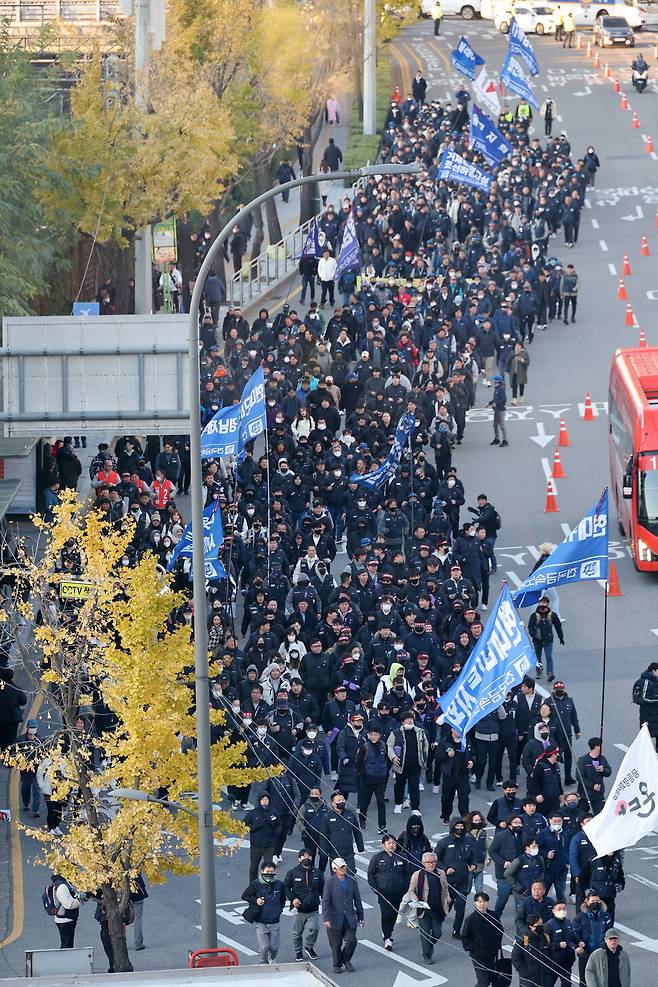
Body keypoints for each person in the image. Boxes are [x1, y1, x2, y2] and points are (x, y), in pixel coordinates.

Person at [399, 850, 451, 965]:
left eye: (433, 862)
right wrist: (414, 898)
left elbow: (446, 888)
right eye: (428, 862)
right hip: (423, 909)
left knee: (437, 933)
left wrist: (447, 897)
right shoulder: (417, 875)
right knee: (425, 933)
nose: (430, 864)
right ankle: (427, 955)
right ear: (423, 863)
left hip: (438, 908)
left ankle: (429, 944)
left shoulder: (441, 873)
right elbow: (411, 891)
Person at [435, 817, 476, 939]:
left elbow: (471, 857)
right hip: (448, 883)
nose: (459, 828)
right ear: (452, 827)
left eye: (461, 826)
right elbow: (436, 859)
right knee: (445, 907)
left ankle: (456, 930)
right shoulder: (444, 842)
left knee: (461, 908)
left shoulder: (468, 841)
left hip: (463, 881)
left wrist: (473, 864)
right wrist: (446, 868)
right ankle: (436, 926)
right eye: (457, 826)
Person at [322, 857, 364, 974]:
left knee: (352, 941)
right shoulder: (329, 882)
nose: (343, 869)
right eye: (340, 867)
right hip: (334, 918)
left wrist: (361, 917)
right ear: (334, 869)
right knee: (336, 945)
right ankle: (337, 964)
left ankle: (346, 959)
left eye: (344, 866)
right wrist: (326, 918)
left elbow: (357, 900)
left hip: (350, 918)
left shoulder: (352, 880)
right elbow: (325, 901)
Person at [368, 834, 408, 950]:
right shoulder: (377, 858)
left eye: (393, 843)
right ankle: (387, 938)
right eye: (389, 843)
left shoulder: (402, 857)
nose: (392, 845)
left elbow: (407, 874)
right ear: (383, 845)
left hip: (398, 892)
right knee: (386, 914)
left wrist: (404, 889)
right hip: (383, 893)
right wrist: (376, 889)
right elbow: (371, 874)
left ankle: (388, 931)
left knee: (394, 914)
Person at [242, 861, 286, 964]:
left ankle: (272, 958)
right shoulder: (256, 884)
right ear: (262, 871)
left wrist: (279, 910)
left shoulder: (279, 884)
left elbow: (283, 899)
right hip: (261, 922)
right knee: (264, 946)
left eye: (272, 871)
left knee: (274, 948)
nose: (269, 873)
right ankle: (263, 964)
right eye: (267, 871)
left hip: (275, 921)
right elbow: (245, 896)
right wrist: (256, 900)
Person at [284, 847, 324, 961]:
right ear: (299, 858)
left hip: (313, 908)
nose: (307, 858)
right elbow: (286, 887)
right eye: (304, 856)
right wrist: (292, 899)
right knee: (297, 933)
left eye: (309, 856)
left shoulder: (317, 872)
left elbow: (323, 888)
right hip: (299, 909)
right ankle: (298, 952)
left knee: (315, 929)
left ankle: (309, 946)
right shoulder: (292, 872)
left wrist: (325, 900)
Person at [387, 708, 429, 814]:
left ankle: (415, 808)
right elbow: (389, 746)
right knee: (399, 785)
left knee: (414, 787)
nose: (410, 721)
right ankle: (398, 804)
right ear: (402, 721)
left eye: (411, 719)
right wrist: (393, 758)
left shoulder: (419, 732)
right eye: (407, 719)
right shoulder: (396, 733)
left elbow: (425, 745)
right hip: (401, 765)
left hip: (415, 765)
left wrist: (423, 758)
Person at [461, 891, 504, 987]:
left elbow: (500, 931)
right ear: (475, 902)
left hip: (492, 954)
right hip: (478, 956)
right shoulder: (471, 919)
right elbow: (465, 937)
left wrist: (496, 945)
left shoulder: (493, 916)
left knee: (493, 978)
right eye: (479, 901)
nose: (482, 904)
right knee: (483, 981)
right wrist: (473, 948)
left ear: (488, 902)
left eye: (484, 901)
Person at [574, 890, 613, 983]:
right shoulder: (580, 917)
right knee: (584, 980)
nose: (595, 903)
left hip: (602, 953)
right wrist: (577, 946)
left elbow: (610, 932)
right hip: (585, 953)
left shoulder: (606, 916)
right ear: (587, 902)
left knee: (602, 979)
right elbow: (574, 934)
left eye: (597, 901)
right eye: (592, 901)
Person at [357, 722, 389, 832]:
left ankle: (382, 825)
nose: (373, 736)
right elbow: (359, 763)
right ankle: (362, 818)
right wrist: (364, 775)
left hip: (380, 779)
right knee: (365, 801)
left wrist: (385, 774)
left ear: (379, 735)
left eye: (376, 734)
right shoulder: (364, 747)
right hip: (368, 780)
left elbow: (387, 761)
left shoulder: (384, 746)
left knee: (381, 802)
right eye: (371, 734)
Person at [244, 791, 280, 881]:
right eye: (263, 799)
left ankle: (267, 883)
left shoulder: (273, 812)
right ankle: (253, 885)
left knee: (268, 867)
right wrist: (254, 827)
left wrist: (276, 832)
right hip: (256, 845)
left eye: (266, 799)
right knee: (253, 867)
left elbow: (279, 824)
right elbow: (243, 825)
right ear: (259, 801)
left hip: (269, 845)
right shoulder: (253, 813)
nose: (265, 801)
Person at [511, 912, 552, 987]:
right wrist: (524, 973)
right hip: (529, 980)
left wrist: (549, 971)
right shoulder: (524, 939)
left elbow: (551, 953)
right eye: (538, 925)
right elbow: (515, 957)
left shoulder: (545, 937)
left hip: (544, 978)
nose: (541, 926)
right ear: (531, 926)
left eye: (542, 923)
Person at [545, 899, 579, 987]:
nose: (562, 911)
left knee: (567, 984)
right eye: (559, 909)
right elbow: (544, 944)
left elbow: (572, 936)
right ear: (553, 910)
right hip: (553, 961)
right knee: (549, 983)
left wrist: (579, 943)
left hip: (566, 960)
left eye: (564, 908)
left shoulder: (568, 922)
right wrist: (557, 945)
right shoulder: (548, 925)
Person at [576, 737, 612, 815]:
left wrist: (604, 770)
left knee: (600, 815)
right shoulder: (583, 760)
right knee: (581, 816)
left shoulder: (602, 759)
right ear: (596, 747)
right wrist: (592, 785)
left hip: (598, 795)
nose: (603, 747)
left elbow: (609, 772)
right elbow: (579, 777)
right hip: (585, 795)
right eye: (601, 745)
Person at [51, 874, 83, 948]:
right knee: (66, 947)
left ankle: (65, 958)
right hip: (65, 921)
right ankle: (64, 959)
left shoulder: (62, 883)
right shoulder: (62, 886)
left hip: (65, 919)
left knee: (67, 945)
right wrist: (81, 898)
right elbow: (69, 905)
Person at [634, 661, 658, 746]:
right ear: (654, 670)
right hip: (648, 715)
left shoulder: (655, 680)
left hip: (655, 714)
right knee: (646, 735)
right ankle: (644, 754)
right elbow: (643, 698)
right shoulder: (646, 682)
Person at [130, 873, 149, 951]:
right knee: (137, 919)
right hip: (137, 894)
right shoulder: (135, 863)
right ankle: (138, 943)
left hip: (122, 893)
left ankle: (121, 941)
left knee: (121, 919)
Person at [488, 375, 508, 448]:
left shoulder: (501, 389)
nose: (493, 382)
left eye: (494, 380)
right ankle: (497, 439)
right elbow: (495, 399)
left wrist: (496, 403)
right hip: (496, 410)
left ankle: (505, 440)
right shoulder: (496, 389)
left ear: (498, 381)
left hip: (501, 410)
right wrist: (489, 403)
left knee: (502, 425)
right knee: (495, 425)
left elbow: (504, 399)